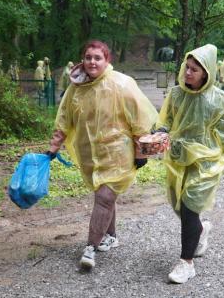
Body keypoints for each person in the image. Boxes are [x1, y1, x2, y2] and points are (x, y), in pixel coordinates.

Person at [46, 40, 158, 269]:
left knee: (105, 197)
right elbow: (64, 120)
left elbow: (139, 119)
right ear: (82, 59)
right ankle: (111, 236)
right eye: (88, 57)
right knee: (104, 196)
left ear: (107, 61)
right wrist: (53, 148)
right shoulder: (75, 87)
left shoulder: (121, 84)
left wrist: (140, 151)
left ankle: (90, 248)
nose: (92, 62)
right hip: (90, 155)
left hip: (118, 154)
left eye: (98, 58)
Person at [155, 44, 224, 284]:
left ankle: (186, 263)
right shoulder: (176, 94)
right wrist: (160, 133)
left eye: (194, 69)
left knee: (189, 207)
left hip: (206, 160)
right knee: (179, 207)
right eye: (187, 67)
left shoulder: (218, 99)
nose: (188, 72)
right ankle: (201, 230)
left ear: (206, 72)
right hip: (178, 157)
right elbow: (166, 120)